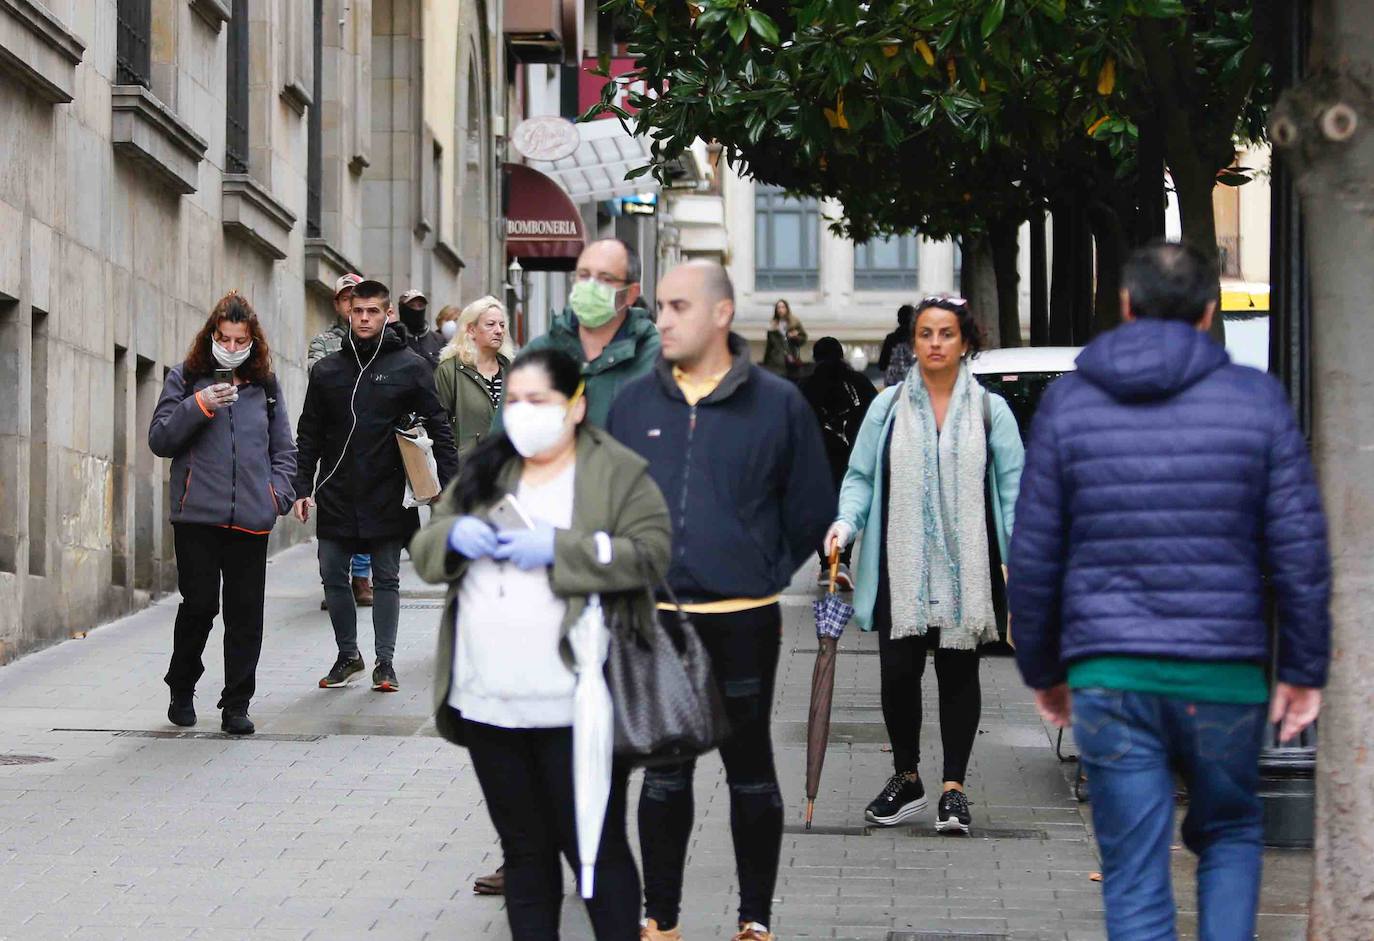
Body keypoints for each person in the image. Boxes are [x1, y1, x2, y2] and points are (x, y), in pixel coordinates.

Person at [1008, 241, 1331, 940]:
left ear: (1124, 306)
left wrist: (1044, 669)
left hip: (1110, 673)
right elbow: (1298, 548)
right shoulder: (1258, 401)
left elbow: (1034, 555)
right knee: (1233, 833)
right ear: (1210, 312)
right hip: (1224, 676)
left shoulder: (1070, 404)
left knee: (1133, 871)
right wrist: (1303, 669)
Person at [411, 348, 672, 940]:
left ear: (575, 406)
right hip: (488, 699)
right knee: (525, 853)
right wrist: (456, 536)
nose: (524, 413)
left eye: (540, 401)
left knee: (593, 851)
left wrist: (562, 549)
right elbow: (427, 553)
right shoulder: (486, 468)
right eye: (516, 401)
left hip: (574, 701)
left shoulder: (616, 471)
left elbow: (651, 553)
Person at [607, 261, 834, 941]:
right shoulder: (635, 403)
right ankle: (661, 917)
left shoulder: (777, 403)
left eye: (678, 306)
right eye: (662, 306)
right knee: (665, 776)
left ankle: (754, 918)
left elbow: (811, 507)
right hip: (660, 620)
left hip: (742, 621)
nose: (663, 318)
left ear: (721, 314)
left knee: (750, 771)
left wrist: (758, 569)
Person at [824, 295, 1024, 835]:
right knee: (897, 673)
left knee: (959, 671)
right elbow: (860, 476)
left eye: (946, 334)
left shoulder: (989, 410)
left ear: (965, 343)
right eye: (926, 334)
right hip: (900, 561)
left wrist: (1024, 555)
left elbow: (1013, 490)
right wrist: (846, 523)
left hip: (967, 565)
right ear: (913, 343)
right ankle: (906, 776)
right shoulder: (886, 408)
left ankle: (953, 789)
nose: (935, 344)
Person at [292, 278, 459, 693]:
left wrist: (450, 488)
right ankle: (348, 654)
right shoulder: (328, 370)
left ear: (388, 315)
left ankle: (385, 662)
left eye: (372, 311)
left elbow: (440, 425)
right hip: (336, 489)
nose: (364, 318)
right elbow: (308, 432)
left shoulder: (411, 366)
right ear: (348, 312)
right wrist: (301, 486)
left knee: (386, 577)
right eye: (357, 311)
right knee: (332, 572)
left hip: (388, 491)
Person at [148, 291, 297, 736]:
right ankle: (181, 686)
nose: (232, 348)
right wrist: (201, 405)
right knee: (199, 606)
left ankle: (236, 704)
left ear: (253, 341)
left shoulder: (266, 386)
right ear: (211, 335)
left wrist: (278, 496)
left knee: (245, 613)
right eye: (225, 339)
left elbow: (284, 448)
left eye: (240, 340)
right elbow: (160, 440)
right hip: (197, 516)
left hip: (252, 517)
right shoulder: (185, 377)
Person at [512, 238, 659, 427]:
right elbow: (502, 442)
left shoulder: (656, 359)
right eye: (583, 275)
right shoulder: (538, 354)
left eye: (605, 279)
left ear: (631, 293)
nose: (590, 286)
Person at [308, 272, 373, 607]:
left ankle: (362, 578)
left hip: (372, 441)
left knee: (368, 510)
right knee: (335, 513)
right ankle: (334, 579)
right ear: (337, 304)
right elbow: (322, 381)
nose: (352, 305)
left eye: (357, 297)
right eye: (346, 298)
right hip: (335, 440)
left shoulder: (380, 341)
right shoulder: (323, 343)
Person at [798, 337, 876, 589]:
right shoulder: (859, 384)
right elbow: (875, 417)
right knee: (848, 509)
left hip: (815, 463)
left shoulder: (806, 387)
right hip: (852, 459)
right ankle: (842, 559)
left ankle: (826, 564)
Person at [434, 295, 513, 460]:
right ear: (471, 330)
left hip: (507, 469)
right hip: (467, 471)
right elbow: (438, 427)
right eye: (490, 324)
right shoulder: (449, 371)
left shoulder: (512, 371)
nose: (499, 330)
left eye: (502, 325)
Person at [398, 288, 446, 368]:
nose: (417, 309)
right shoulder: (395, 338)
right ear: (402, 309)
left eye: (420, 305)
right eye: (412, 305)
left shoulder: (438, 340)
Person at [761, 299, 806, 379]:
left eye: (783, 307)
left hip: (791, 359)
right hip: (776, 361)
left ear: (787, 309)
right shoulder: (773, 325)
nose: (781, 310)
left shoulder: (794, 322)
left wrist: (795, 337)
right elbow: (769, 346)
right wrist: (765, 363)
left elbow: (803, 340)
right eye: (778, 308)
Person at [878, 303, 916, 386]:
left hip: (893, 388)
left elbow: (882, 365)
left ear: (899, 320)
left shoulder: (890, 339)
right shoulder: (919, 341)